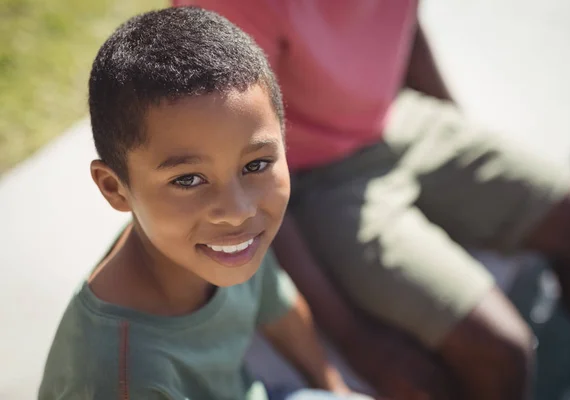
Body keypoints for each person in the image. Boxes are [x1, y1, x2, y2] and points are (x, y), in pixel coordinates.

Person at [174, 1, 570, 399]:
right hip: (307, 178)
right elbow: (236, 178)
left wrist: (465, 151)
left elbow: (404, 28)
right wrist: (353, 337)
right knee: (501, 351)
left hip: (396, 121)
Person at [38, 8, 372, 400]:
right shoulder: (122, 379)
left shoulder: (224, 240)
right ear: (115, 188)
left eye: (256, 165)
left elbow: (277, 305)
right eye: (188, 179)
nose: (238, 210)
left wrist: (332, 386)